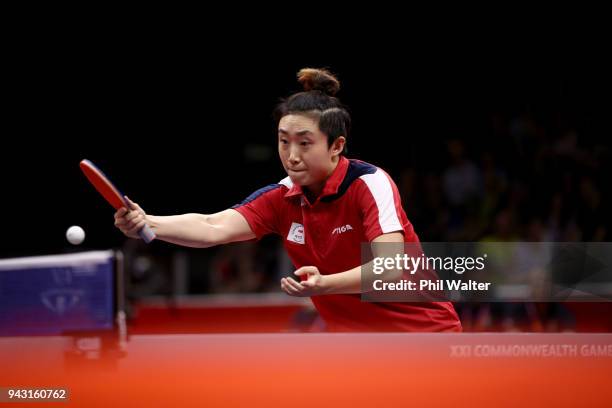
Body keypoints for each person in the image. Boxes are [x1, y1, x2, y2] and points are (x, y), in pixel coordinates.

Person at [115, 68, 462, 332]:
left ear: (337, 145)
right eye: (284, 142)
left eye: (305, 143)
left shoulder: (369, 184)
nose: (291, 155)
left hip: (423, 335)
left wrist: (325, 285)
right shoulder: (281, 197)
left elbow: (390, 268)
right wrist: (150, 223)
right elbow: (212, 226)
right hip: (358, 346)